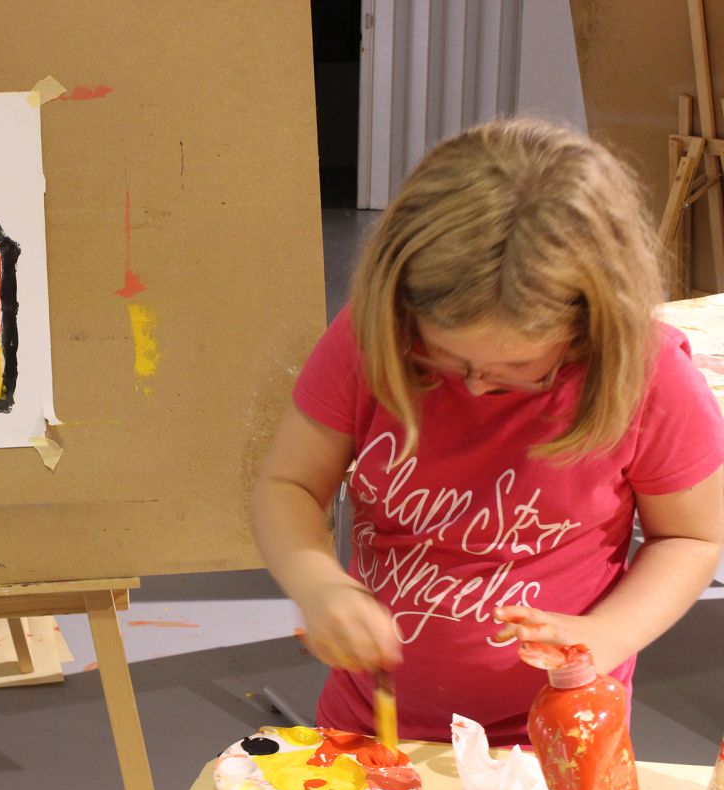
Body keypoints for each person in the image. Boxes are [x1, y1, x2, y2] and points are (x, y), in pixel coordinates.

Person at [250, 117, 724, 747]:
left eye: (518, 370)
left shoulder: (649, 379)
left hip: (557, 733)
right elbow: (289, 485)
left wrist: (609, 634)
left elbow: (691, 536)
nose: (474, 387)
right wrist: (318, 582)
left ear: (591, 327)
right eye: (446, 358)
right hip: (375, 722)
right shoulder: (371, 342)